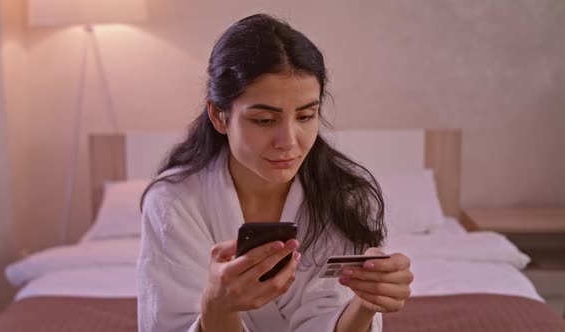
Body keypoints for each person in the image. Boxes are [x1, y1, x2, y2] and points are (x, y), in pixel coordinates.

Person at [137, 13, 413, 332]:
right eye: (265, 121)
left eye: (306, 116)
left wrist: (365, 305)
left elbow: (331, 318)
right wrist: (218, 307)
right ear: (219, 116)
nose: (289, 142)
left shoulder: (344, 197)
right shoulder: (173, 203)